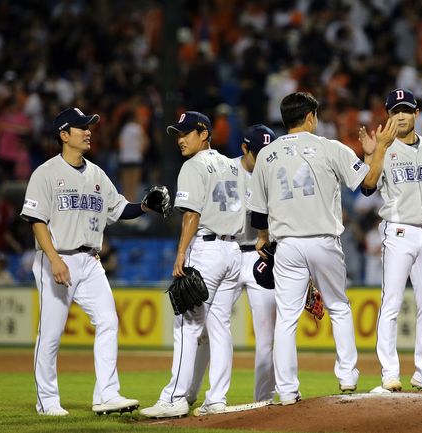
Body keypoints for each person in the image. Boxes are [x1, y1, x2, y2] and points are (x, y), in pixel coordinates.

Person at [247, 92, 396, 405]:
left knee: (286, 318)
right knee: (339, 306)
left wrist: (262, 237)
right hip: (324, 242)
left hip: (286, 245)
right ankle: (347, 376)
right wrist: (379, 149)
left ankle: (286, 390)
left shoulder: (266, 155)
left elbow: (258, 213)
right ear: (310, 117)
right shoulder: (329, 147)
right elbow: (368, 185)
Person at [20, 107, 166, 416]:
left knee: (109, 321)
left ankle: (107, 395)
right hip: (56, 259)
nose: (88, 131)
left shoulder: (97, 173)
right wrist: (54, 259)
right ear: (63, 134)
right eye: (81, 127)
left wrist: (144, 206)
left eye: (89, 126)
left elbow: (119, 210)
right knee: (50, 333)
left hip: (89, 260)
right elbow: (36, 221)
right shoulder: (46, 173)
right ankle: (47, 402)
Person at [139, 111, 243, 418]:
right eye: (178, 135)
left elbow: (191, 215)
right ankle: (217, 399)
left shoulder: (193, 166)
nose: (181, 140)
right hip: (233, 251)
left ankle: (175, 397)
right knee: (219, 327)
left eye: (187, 133)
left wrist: (181, 253)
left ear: (204, 133)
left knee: (187, 324)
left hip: (208, 250)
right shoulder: (232, 165)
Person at [359, 88, 422, 393]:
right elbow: (367, 188)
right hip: (398, 232)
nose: (400, 115)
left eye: (406, 109)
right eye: (394, 111)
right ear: (387, 117)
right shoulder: (383, 149)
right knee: (392, 302)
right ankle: (389, 372)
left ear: (416, 114)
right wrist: (373, 154)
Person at [185, 124, 278, 405]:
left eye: (268, 153)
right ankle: (190, 392)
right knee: (204, 330)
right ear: (244, 148)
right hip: (229, 251)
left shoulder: (273, 178)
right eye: (258, 152)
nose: (263, 158)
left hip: (261, 259)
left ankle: (264, 399)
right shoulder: (227, 170)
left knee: (266, 336)